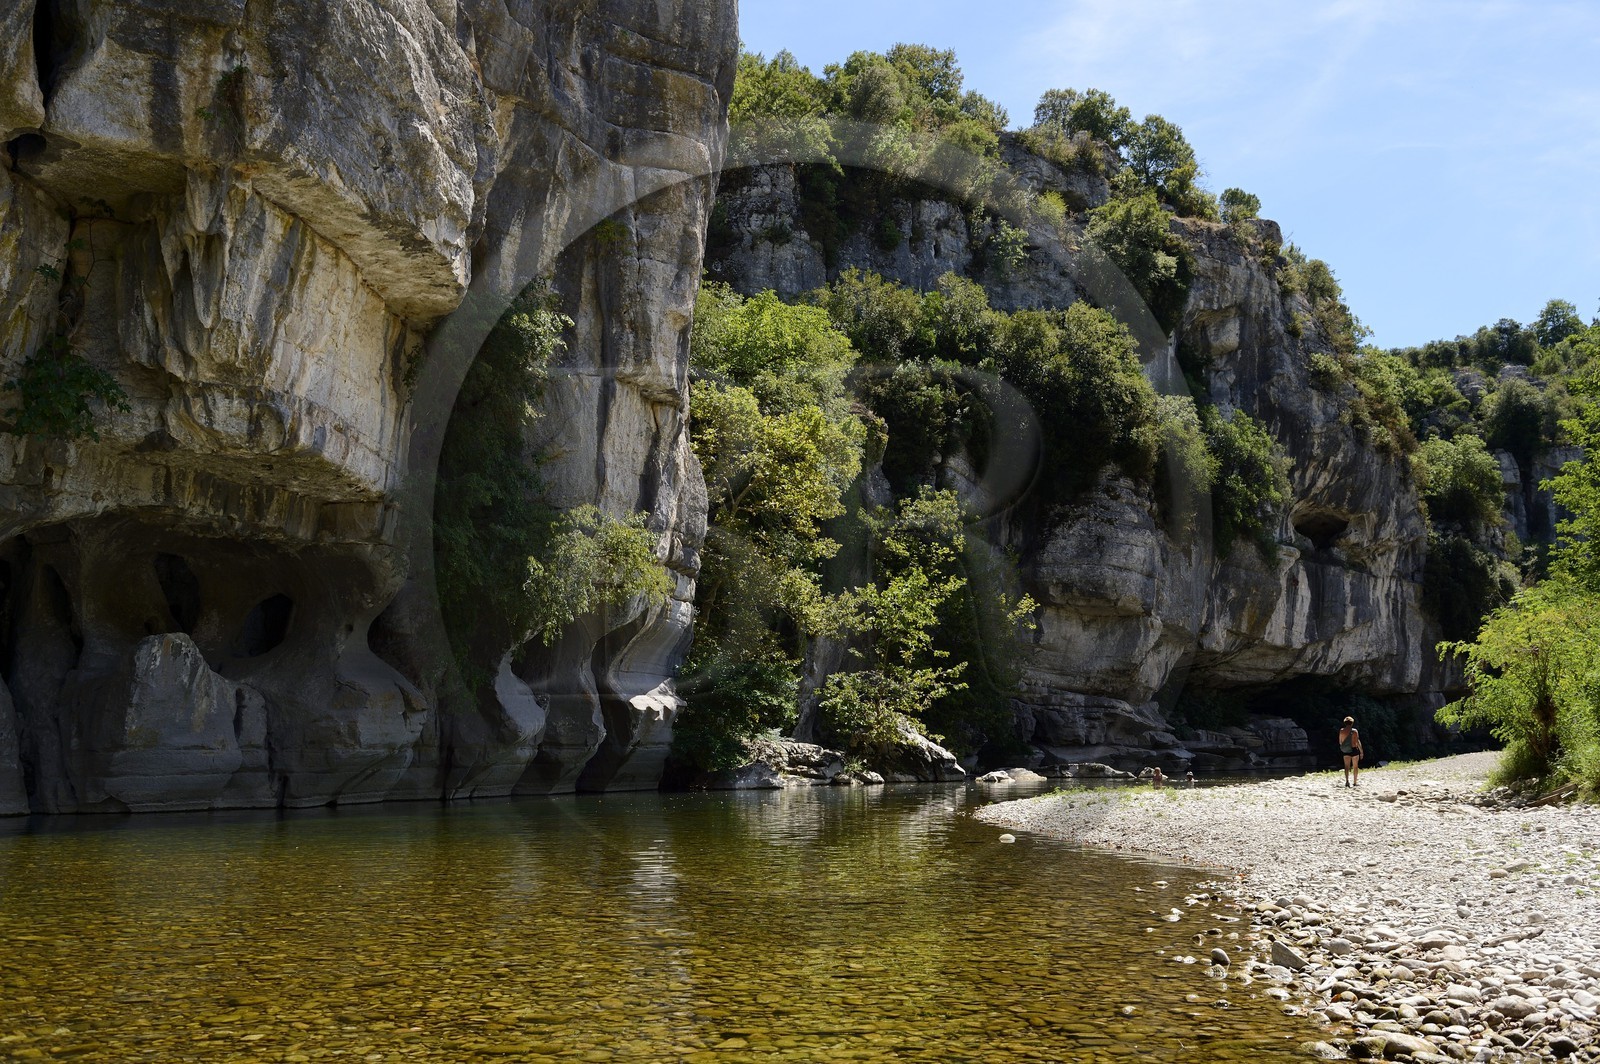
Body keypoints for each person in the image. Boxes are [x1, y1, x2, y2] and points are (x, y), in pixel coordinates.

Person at [1338, 716, 1363, 787]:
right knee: (1355, 766)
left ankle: (1347, 781)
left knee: (1346, 766)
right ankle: (1355, 782)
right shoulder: (1355, 731)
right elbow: (1357, 742)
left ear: (1345, 723)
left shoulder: (1341, 730)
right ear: (1352, 723)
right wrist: (1361, 751)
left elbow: (1340, 741)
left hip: (1346, 750)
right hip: (1354, 750)